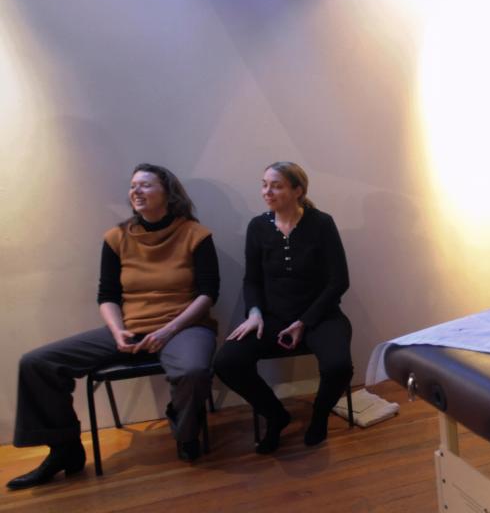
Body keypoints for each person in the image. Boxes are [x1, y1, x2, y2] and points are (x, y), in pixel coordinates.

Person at [8, 164, 219, 490]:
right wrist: (117, 330)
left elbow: (208, 294)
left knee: (192, 370)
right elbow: (107, 296)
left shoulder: (195, 234)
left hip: (184, 326)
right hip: (131, 326)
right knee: (38, 363)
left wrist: (167, 330)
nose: (136, 191)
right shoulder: (116, 237)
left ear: (168, 192)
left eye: (146, 185)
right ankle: (65, 450)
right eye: (133, 186)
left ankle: (185, 428)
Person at [214, 162, 352, 454]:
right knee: (227, 362)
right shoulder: (258, 227)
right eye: (264, 184)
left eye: (276, 185)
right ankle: (276, 416)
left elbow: (339, 281)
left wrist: (304, 321)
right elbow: (251, 280)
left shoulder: (321, 223)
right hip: (273, 318)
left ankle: (319, 418)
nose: (267, 191)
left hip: (319, 316)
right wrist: (254, 313)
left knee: (339, 367)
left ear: (297, 190)